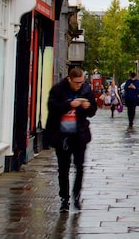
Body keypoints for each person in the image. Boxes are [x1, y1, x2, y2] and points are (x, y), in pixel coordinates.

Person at [45, 67, 97, 211]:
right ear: (69, 79)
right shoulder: (58, 89)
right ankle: (64, 198)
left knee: (79, 167)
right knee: (63, 168)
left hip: (79, 135)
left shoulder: (86, 90)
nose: (79, 85)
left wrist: (88, 106)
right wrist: (69, 104)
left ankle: (76, 195)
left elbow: (93, 111)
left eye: (81, 82)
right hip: (62, 136)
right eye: (76, 82)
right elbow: (52, 107)